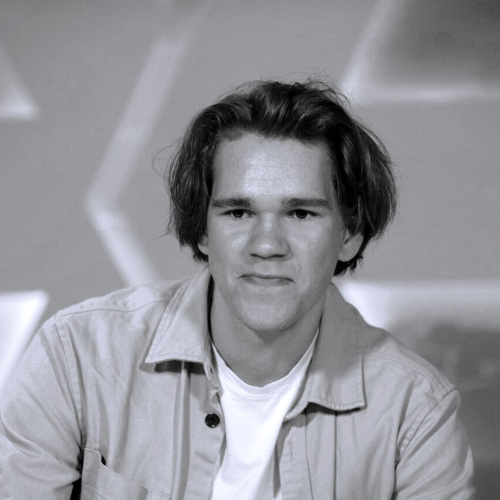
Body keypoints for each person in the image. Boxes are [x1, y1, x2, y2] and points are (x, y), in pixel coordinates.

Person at [0, 79, 474, 499]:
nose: (266, 245)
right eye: (239, 212)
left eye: (301, 213)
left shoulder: (416, 412)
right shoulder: (76, 358)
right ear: (202, 230)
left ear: (349, 233)